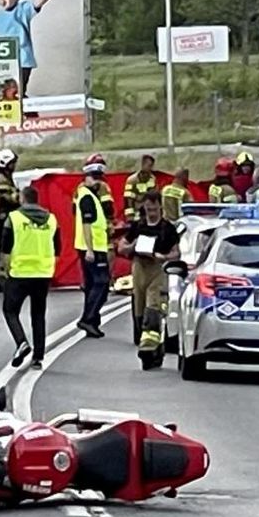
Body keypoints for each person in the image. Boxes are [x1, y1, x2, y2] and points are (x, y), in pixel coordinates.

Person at [117, 191, 180, 369]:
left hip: (157, 269)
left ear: (160, 206)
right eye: (148, 208)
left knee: (153, 309)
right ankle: (141, 337)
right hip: (139, 267)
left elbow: (176, 252)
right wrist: (132, 246)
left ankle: (152, 347)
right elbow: (122, 247)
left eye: (154, 208)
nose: (151, 211)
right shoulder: (138, 226)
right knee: (139, 308)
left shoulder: (167, 228)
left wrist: (164, 256)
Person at [0, 186, 60, 369]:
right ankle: (38, 358)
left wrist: (8, 269)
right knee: (38, 314)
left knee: (10, 311)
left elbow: (6, 248)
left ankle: (21, 342)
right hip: (42, 273)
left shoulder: (14, 218)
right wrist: (49, 268)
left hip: (20, 272)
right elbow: (57, 249)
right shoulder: (51, 219)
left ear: (22, 199)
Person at [74, 156, 111, 338]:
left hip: (90, 246)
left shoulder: (88, 195)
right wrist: (89, 249)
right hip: (93, 248)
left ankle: (92, 321)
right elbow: (87, 225)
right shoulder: (87, 197)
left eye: (99, 177)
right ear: (86, 177)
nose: (97, 181)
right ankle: (88, 319)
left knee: (91, 285)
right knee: (102, 284)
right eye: (94, 177)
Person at [123, 154, 158, 222]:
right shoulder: (132, 180)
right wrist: (130, 216)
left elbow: (155, 196)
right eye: (149, 165)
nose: (151, 168)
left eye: (152, 166)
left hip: (148, 212)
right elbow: (128, 200)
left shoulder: (152, 179)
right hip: (137, 213)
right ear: (143, 165)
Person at [0, 148, 20, 220]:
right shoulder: (1, 179)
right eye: (12, 163)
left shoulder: (7, 177)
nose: (14, 166)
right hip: (4, 215)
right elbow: (10, 198)